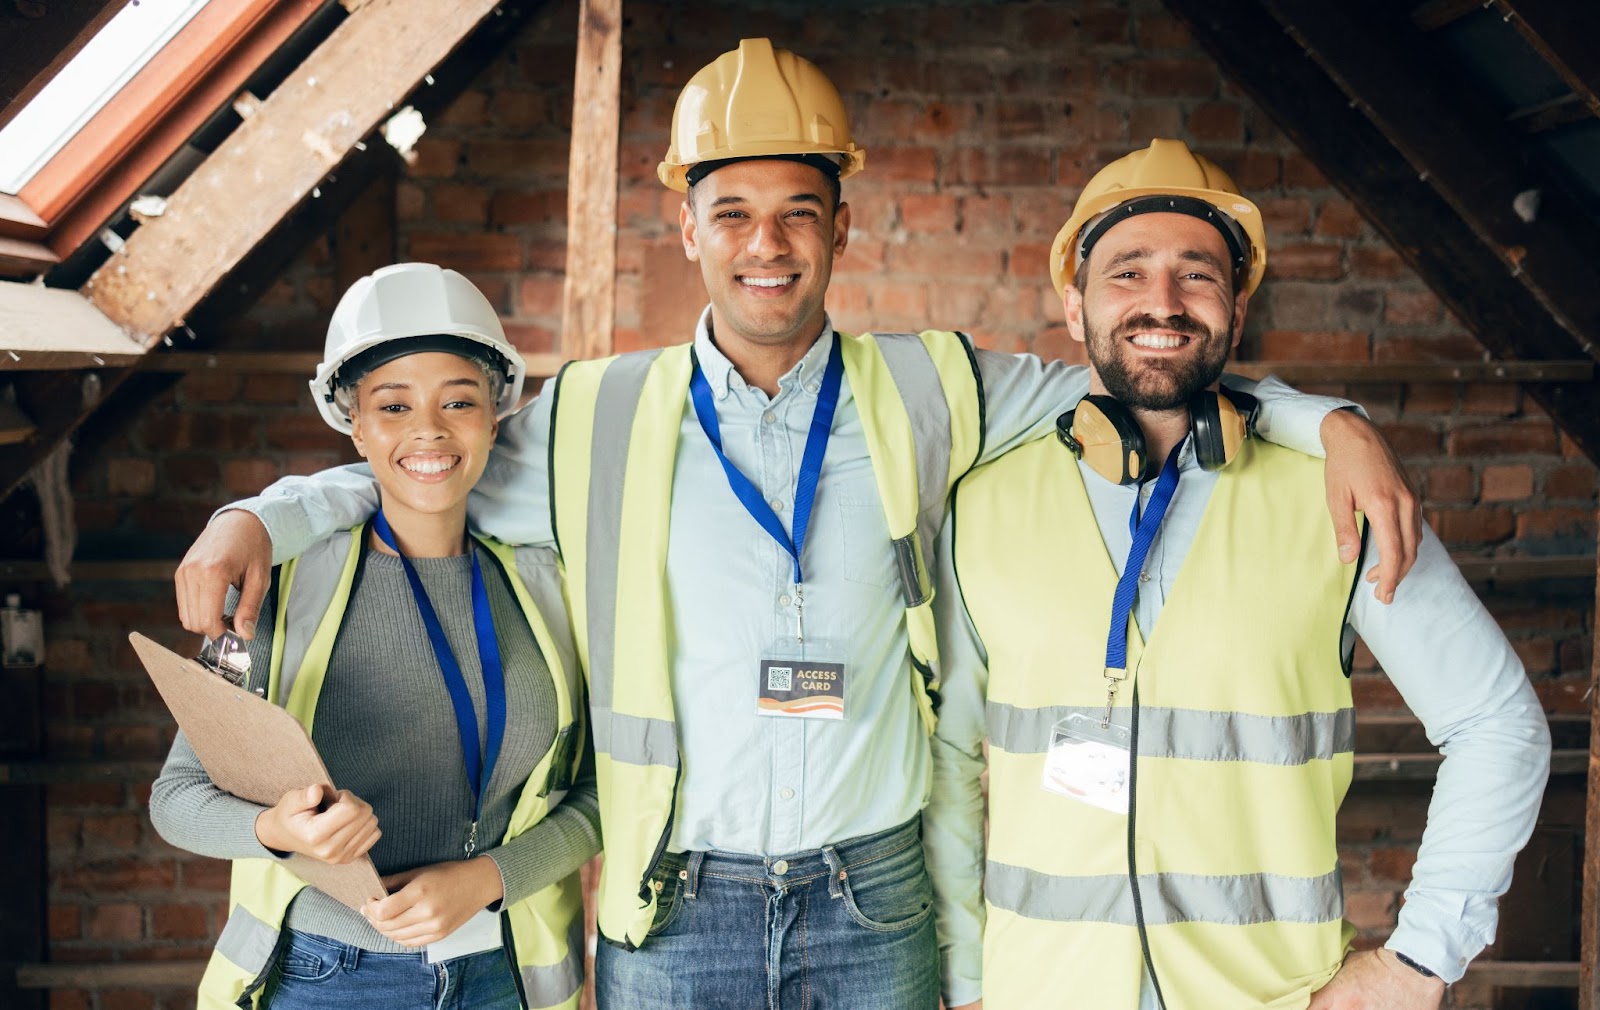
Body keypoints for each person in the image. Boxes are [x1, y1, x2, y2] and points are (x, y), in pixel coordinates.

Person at [172, 43, 1422, 1010]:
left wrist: (1327, 417)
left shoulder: (940, 386)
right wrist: (258, 516)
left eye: (797, 212)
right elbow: (421, 456)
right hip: (674, 907)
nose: (764, 244)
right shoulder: (594, 414)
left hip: (872, 898)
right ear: (687, 226)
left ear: (839, 223)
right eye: (731, 212)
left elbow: (1151, 371)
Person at [923, 140, 1553, 1010]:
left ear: (1238, 306)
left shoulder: (1336, 495)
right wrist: (963, 983)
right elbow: (949, 761)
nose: (1163, 303)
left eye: (1198, 276)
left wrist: (1417, 965)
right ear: (1073, 307)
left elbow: (1496, 722)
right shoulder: (983, 504)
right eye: (1127, 274)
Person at [150, 263, 600, 1010]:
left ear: (495, 417)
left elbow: (594, 796)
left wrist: (489, 878)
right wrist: (275, 828)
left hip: (501, 977)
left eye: (459, 400)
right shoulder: (285, 587)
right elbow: (177, 799)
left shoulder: (548, 587)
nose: (429, 428)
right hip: (329, 981)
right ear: (354, 424)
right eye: (394, 405)